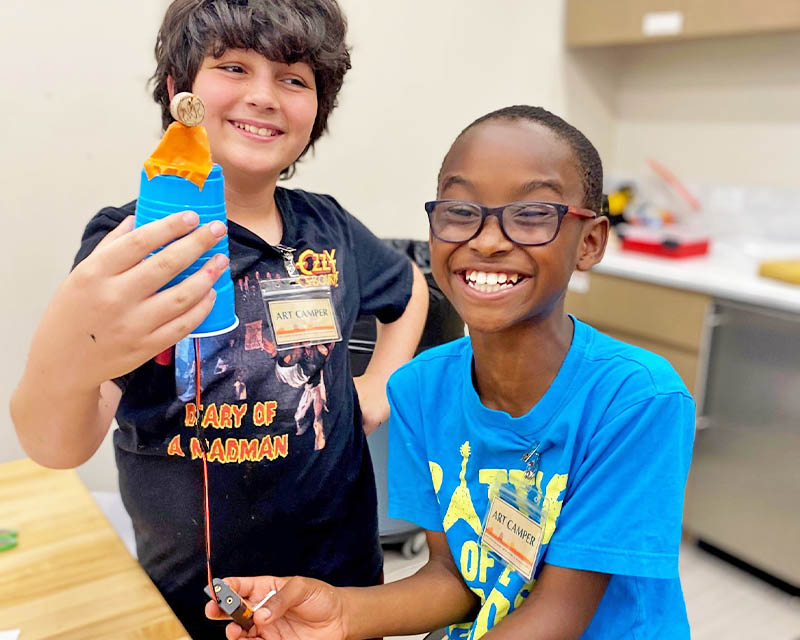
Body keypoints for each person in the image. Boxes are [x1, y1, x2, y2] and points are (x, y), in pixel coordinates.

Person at [10, 1, 428, 638]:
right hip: (192, 603)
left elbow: (410, 290)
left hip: (341, 592)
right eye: (233, 67)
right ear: (180, 90)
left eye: (294, 79)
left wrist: (378, 386)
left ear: (318, 110)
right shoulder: (133, 243)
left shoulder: (331, 226)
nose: (264, 96)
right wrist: (66, 347)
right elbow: (57, 445)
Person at [206, 105, 695, 639]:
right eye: (461, 210)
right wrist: (343, 613)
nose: (486, 240)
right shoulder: (420, 390)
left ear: (591, 242)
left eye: (532, 213)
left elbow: (560, 612)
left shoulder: (636, 399)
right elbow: (457, 579)